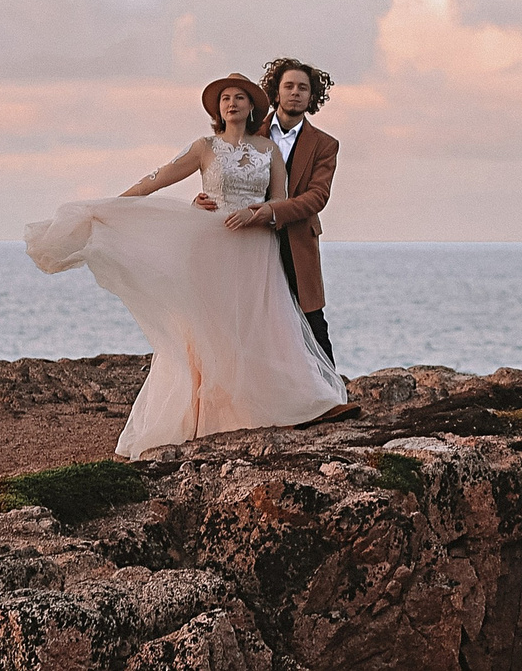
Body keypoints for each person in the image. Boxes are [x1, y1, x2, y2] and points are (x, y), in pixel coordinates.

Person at [23, 73, 346, 456]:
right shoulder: (203, 147)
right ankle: (208, 412)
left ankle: (255, 406)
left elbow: (278, 200)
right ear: (217, 108)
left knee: (259, 327)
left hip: (257, 251)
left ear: (253, 105)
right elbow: (155, 180)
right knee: (209, 327)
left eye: (240, 97)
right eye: (225, 98)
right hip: (211, 246)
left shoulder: (269, 151)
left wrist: (257, 215)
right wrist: (113, 206)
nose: (232, 103)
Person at [245, 57, 338, 365]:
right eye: (289, 86)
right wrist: (203, 202)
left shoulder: (325, 144)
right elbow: (228, 176)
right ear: (275, 92)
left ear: (312, 97)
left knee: (311, 320)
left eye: (303, 87)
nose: (295, 92)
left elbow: (317, 197)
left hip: (297, 240)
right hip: (251, 239)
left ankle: (331, 395)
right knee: (253, 316)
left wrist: (274, 212)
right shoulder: (250, 135)